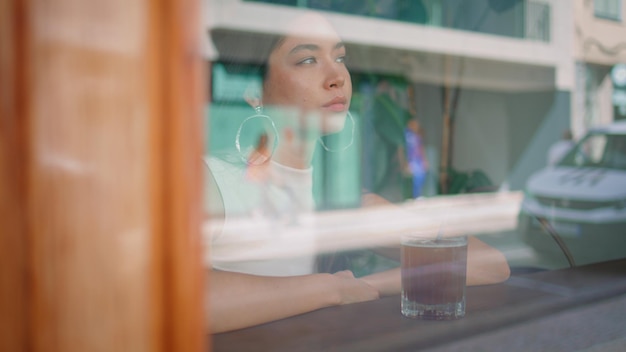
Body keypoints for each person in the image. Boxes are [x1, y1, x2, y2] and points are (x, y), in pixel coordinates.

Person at [205, 11, 510, 333]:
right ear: (253, 90)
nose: (337, 76)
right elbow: (174, 298)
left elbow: (488, 264)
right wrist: (331, 289)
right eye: (308, 60)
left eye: (340, 57)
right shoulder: (211, 181)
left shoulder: (344, 198)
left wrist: (366, 285)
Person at [404, 118, 429, 198]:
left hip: (418, 160)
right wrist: (405, 162)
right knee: (414, 177)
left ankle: (417, 195)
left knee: (421, 176)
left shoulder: (417, 136)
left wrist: (424, 160)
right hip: (411, 160)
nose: (416, 127)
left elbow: (421, 148)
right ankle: (414, 196)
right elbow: (402, 149)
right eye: (414, 125)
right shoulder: (406, 135)